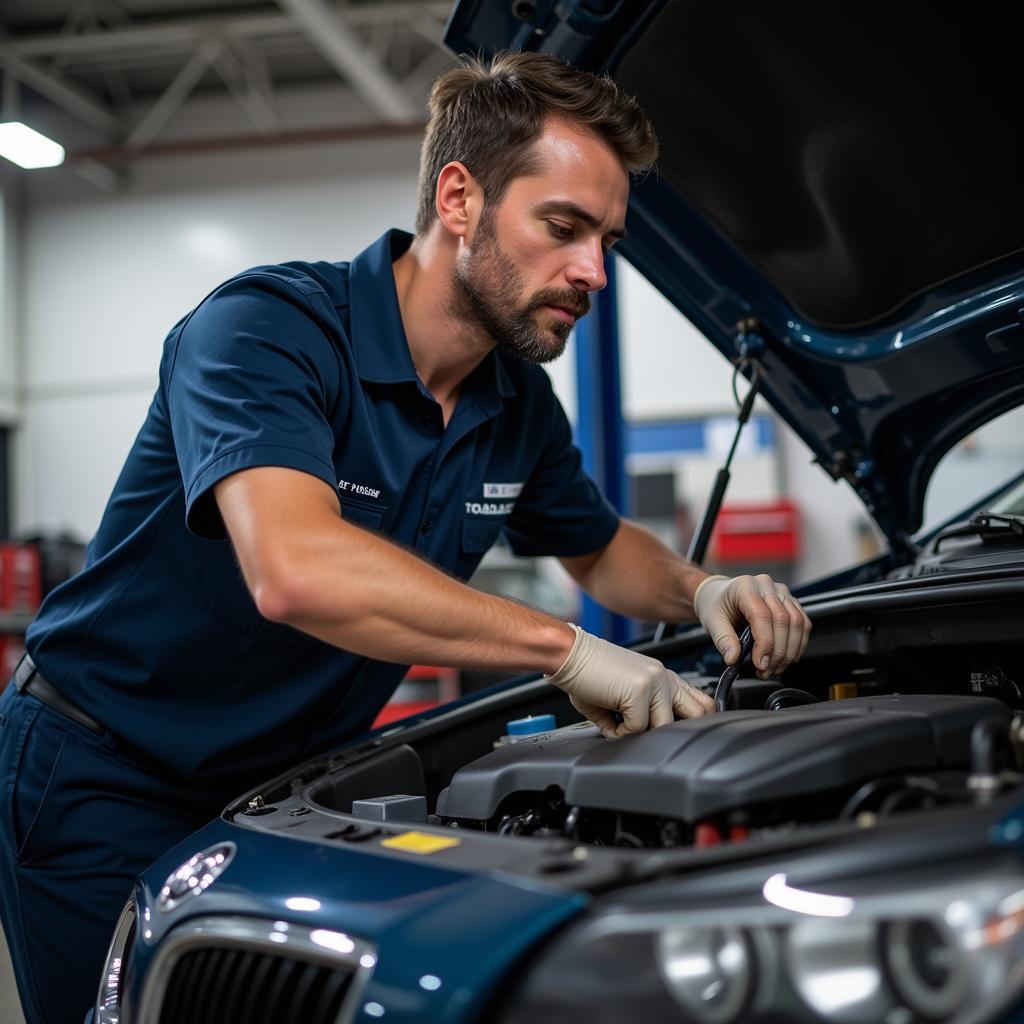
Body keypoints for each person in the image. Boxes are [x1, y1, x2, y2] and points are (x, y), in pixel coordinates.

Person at [0, 51, 810, 1024]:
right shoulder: (267, 331)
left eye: (606, 238)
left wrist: (702, 591)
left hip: (284, 785)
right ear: (459, 199)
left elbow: (595, 546)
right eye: (563, 228)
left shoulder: (518, 402)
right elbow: (294, 568)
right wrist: (566, 648)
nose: (593, 271)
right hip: (104, 766)